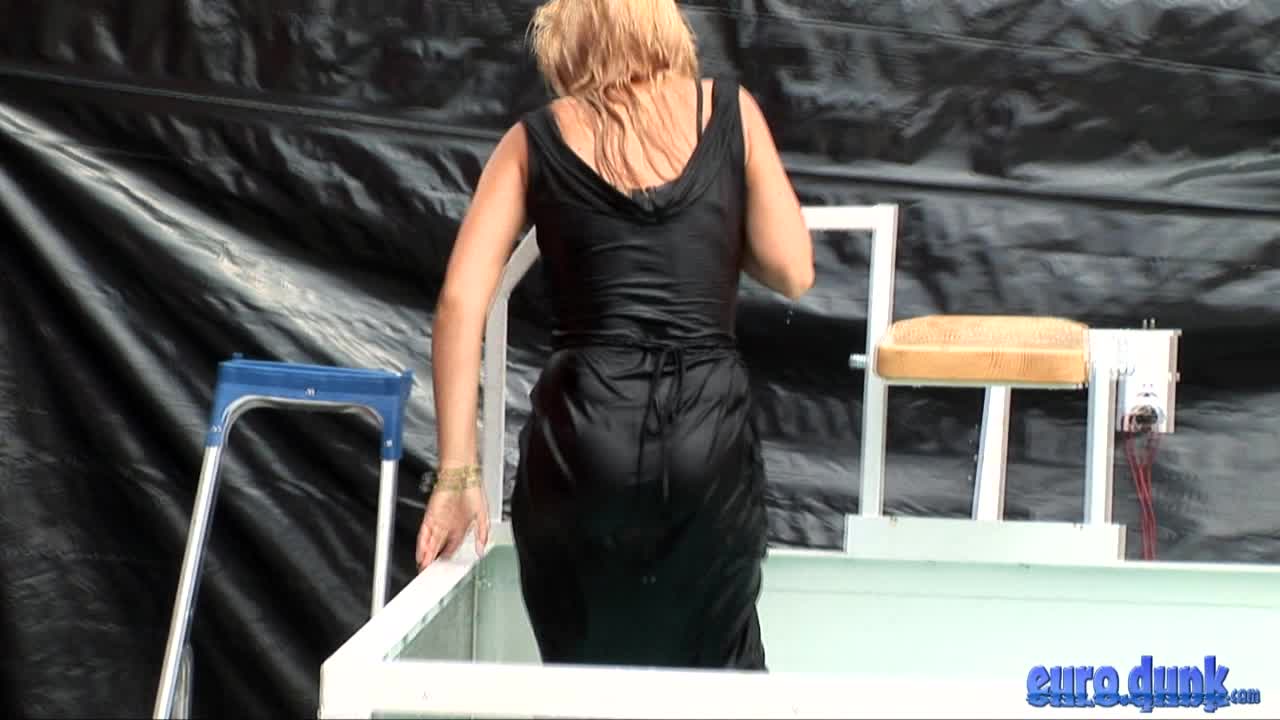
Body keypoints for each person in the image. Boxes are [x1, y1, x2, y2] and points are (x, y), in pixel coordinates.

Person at [415, 0, 813, 670]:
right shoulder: (731, 111)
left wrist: (458, 474)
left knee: (583, 677)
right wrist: (711, 221)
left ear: (565, 45)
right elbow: (793, 271)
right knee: (720, 681)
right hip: (706, 435)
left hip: (582, 439)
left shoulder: (532, 139)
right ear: (662, 25)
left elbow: (460, 303)